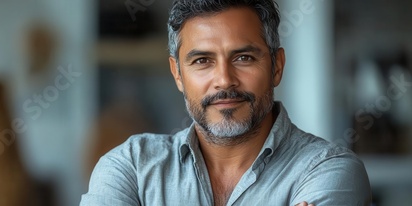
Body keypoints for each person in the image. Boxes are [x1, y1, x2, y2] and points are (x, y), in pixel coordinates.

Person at [81, 0, 372, 205]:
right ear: (178, 74)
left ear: (277, 66)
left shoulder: (329, 172)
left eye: (243, 58)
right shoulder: (129, 167)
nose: (224, 79)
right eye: (202, 61)